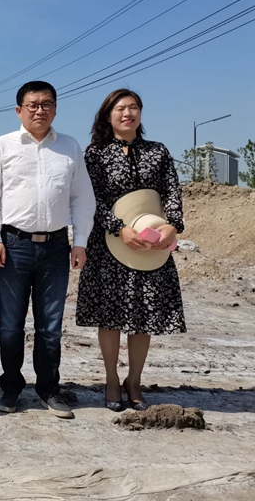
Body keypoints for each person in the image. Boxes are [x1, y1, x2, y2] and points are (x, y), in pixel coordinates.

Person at [0, 81, 95, 419]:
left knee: (50, 326)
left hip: (56, 247)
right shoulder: (3, 146)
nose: (39, 110)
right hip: (13, 245)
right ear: (19, 110)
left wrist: (80, 241)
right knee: (10, 325)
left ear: (55, 109)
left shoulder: (70, 147)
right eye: (32, 105)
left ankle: (48, 388)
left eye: (46, 104)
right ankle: (11, 388)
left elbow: (82, 198)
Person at [76, 89, 185, 411]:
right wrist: (118, 227)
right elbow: (90, 198)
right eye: (121, 108)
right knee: (110, 315)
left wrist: (173, 225)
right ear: (108, 116)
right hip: (109, 245)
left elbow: (172, 192)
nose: (128, 113)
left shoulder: (158, 151)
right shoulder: (95, 154)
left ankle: (134, 380)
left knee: (143, 315)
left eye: (134, 107)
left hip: (152, 244)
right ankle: (111, 379)